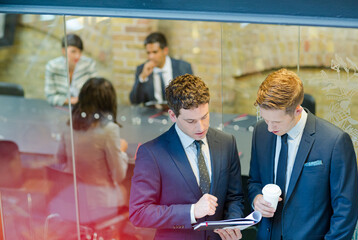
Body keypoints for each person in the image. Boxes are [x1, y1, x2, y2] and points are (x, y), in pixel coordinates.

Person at [129, 74, 244, 240]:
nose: (201, 127)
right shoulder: (152, 153)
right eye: (191, 121)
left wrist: (232, 223)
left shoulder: (226, 142)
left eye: (204, 117)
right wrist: (192, 211)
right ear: (173, 116)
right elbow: (139, 213)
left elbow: (234, 197)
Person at [248, 68, 358, 240]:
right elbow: (254, 181)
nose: (270, 128)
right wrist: (256, 199)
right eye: (266, 119)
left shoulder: (334, 142)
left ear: (297, 111)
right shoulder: (260, 132)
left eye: (276, 122)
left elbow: (346, 209)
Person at [56, 77, 129, 221]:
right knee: (126, 191)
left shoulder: (69, 125)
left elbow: (59, 159)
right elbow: (119, 175)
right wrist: (121, 151)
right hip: (99, 204)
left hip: (72, 199)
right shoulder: (109, 130)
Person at [129, 32, 193, 107]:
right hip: (152, 115)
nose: (151, 57)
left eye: (155, 52)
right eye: (148, 53)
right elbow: (134, 101)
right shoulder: (142, 69)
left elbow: (192, 97)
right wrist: (143, 77)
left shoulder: (183, 67)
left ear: (165, 50)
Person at [45, 34, 97, 106]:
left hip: (84, 107)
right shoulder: (52, 66)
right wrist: (71, 101)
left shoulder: (89, 64)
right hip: (61, 108)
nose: (77, 56)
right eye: (73, 51)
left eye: (80, 52)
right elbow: (50, 97)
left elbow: (95, 92)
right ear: (63, 50)